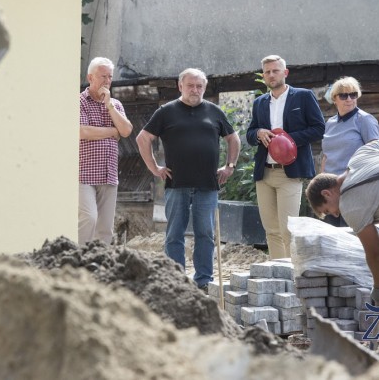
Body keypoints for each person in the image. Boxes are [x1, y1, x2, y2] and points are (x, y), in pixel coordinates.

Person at [136, 68, 241, 292]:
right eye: (191, 85)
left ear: (204, 88)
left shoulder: (214, 111)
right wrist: (154, 167)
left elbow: (233, 138)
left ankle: (203, 280)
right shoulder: (166, 111)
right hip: (177, 184)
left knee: (205, 234)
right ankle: (177, 280)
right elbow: (143, 138)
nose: (195, 90)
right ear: (180, 86)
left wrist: (230, 166)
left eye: (199, 86)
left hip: (208, 185)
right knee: (174, 234)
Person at [246, 55, 325, 259]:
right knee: (271, 231)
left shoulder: (303, 96)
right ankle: (278, 274)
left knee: (288, 230)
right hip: (264, 173)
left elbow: (318, 128)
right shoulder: (259, 103)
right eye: (267, 72)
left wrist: (287, 140)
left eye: (275, 70)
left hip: (290, 172)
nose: (271, 75)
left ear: (285, 72)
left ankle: (293, 277)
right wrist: (258, 133)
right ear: (263, 76)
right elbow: (250, 133)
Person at [306, 140, 379, 303]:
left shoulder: (349, 206)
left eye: (327, 211)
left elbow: (374, 253)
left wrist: (377, 289)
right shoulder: (360, 155)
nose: (335, 215)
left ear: (326, 194)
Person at [79, 57, 133, 245]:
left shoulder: (115, 105)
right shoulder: (80, 102)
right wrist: (111, 131)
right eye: (103, 76)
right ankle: (78, 261)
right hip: (84, 174)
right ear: (90, 77)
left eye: (110, 77)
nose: (107, 81)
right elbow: (82, 131)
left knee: (105, 229)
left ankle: (99, 268)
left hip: (108, 175)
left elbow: (126, 131)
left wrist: (109, 104)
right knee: (89, 218)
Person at [320, 76, 379, 226]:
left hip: (354, 187)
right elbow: (326, 155)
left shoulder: (365, 120)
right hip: (330, 191)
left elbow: (374, 153)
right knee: (332, 237)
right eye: (344, 95)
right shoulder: (330, 123)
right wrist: (320, 179)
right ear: (335, 99)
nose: (349, 99)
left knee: (351, 237)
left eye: (353, 95)